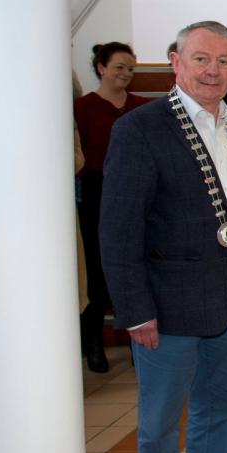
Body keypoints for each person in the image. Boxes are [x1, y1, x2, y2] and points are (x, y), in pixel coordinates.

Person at [99, 21, 227, 453]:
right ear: (176, 62)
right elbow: (118, 230)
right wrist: (134, 310)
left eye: (224, 61)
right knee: (160, 422)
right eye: (201, 59)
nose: (213, 70)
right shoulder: (140, 129)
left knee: (223, 407)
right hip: (165, 305)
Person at [74, 41, 148, 372]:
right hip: (96, 195)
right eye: (119, 67)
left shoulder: (141, 107)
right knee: (95, 272)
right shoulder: (83, 108)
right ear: (101, 67)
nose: (126, 73)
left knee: (135, 269)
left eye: (130, 68)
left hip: (138, 194)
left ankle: (138, 346)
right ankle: (93, 346)